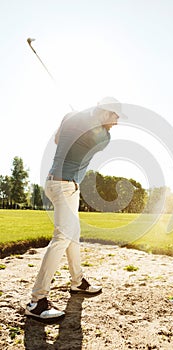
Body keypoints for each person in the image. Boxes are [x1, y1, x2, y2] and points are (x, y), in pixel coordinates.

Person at [25, 97, 126, 322]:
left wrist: (76, 118)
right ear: (103, 112)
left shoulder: (70, 118)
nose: (116, 123)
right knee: (62, 238)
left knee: (73, 236)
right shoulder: (104, 137)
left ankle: (77, 281)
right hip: (64, 186)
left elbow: (58, 138)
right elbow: (94, 138)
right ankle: (36, 300)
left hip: (58, 184)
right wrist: (84, 120)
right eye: (114, 116)